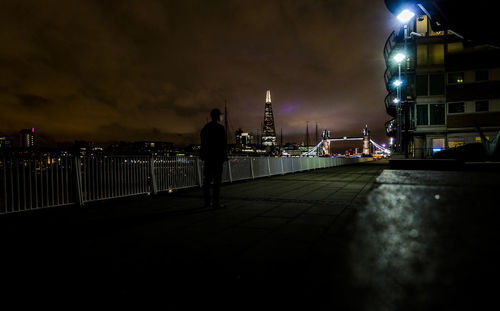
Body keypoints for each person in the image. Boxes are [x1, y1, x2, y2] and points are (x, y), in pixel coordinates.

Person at [200, 108, 228, 209]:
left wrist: (203, 154)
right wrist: (224, 156)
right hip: (217, 158)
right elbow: (223, 144)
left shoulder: (206, 128)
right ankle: (216, 203)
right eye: (220, 115)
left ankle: (207, 202)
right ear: (217, 116)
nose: (221, 117)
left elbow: (203, 143)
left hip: (208, 157)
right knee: (217, 181)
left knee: (207, 181)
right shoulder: (220, 128)